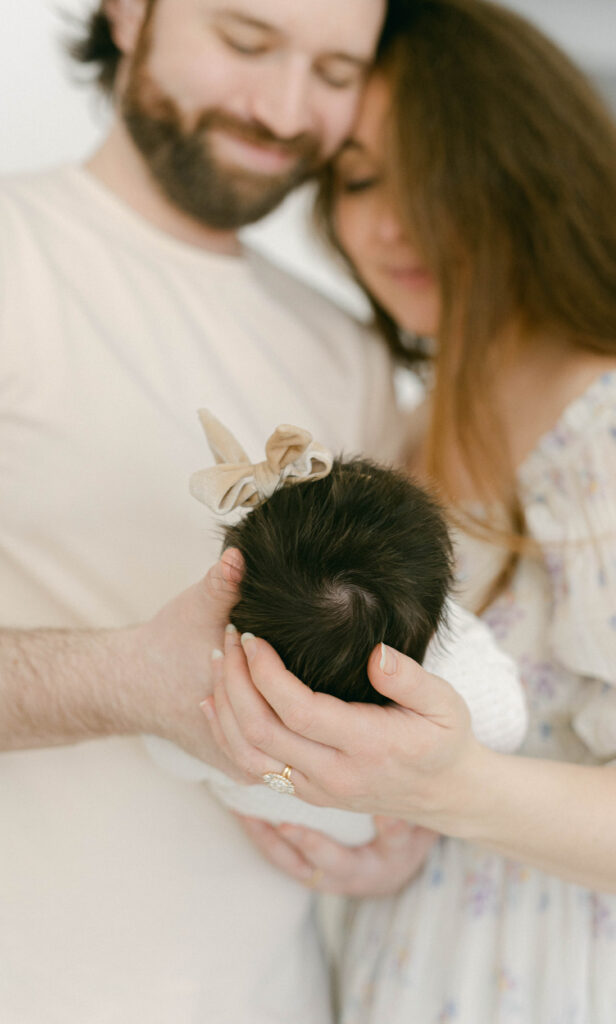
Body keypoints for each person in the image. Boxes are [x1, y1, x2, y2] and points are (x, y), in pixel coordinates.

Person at [205, 1, 616, 1020]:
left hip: (581, 979)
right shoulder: (406, 429)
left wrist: (449, 790)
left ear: (526, 168)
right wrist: (390, 839)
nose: (389, 225)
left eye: (431, 175)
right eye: (358, 180)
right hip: (418, 967)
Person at [0, 1, 436, 1021]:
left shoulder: (349, 353)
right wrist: (122, 682)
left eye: (335, 74)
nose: (282, 110)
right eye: (246, 42)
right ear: (129, 12)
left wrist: (391, 842)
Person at [145, 410, 526, 844]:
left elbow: (163, 748)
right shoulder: (460, 693)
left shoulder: (216, 705)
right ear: (434, 630)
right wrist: (443, 616)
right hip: (378, 829)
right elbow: (511, 723)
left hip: (289, 830)